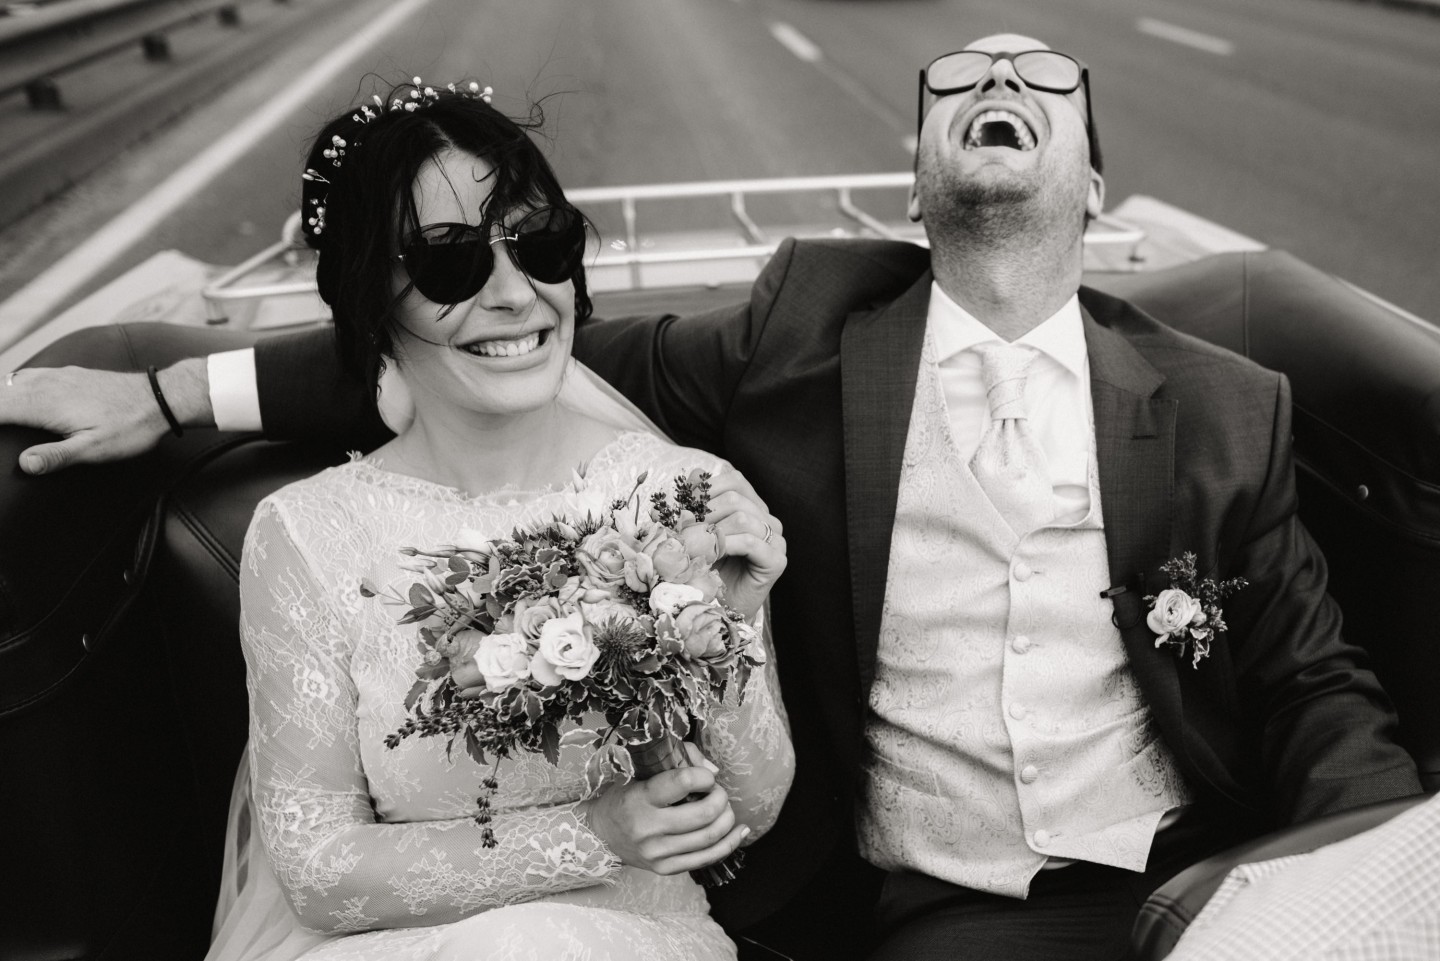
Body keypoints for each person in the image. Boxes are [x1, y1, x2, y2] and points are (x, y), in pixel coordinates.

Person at [0, 33, 1423, 961]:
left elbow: (1316, 687)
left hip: (1201, 878)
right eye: (955, 82)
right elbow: (489, 344)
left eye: (1043, 81)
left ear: (1096, 182)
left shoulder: (1228, 405)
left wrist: (1373, 872)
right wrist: (179, 392)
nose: (998, 79)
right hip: (944, 910)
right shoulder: (802, 331)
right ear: (914, 182)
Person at [167, 81, 794, 961]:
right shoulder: (306, 532)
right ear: (372, 300)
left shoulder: (680, 493)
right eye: (449, 263)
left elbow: (753, 806)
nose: (515, 294)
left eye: (541, 243)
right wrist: (594, 833)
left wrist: (732, 622)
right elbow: (318, 866)